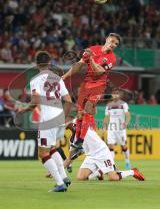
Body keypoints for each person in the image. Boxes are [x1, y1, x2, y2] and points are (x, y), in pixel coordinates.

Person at [18, 51, 72, 192]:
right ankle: (64, 177)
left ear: (37, 64)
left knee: (43, 154)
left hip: (48, 120)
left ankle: (60, 183)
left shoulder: (36, 79)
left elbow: (35, 100)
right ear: (49, 63)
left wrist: (24, 110)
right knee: (52, 148)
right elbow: (68, 101)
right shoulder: (59, 79)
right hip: (59, 118)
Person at [62, 33, 121, 157]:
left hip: (99, 85)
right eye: (112, 41)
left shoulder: (112, 58)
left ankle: (80, 141)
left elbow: (98, 71)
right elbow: (79, 65)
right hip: (86, 84)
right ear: (107, 39)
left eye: (116, 44)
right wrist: (65, 76)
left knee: (89, 108)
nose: (113, 44)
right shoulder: (93, 49)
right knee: (80, 113)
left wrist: (91, 59)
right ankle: (78, 142)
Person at [64, 119, 145, 182]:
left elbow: (82, 115)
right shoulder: (72, 140)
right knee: (80, 177)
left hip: (102, 152)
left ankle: (133, 172)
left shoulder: (80, 122)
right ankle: (99, 173)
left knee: (113, 178)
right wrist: (57, 171)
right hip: (91, 156)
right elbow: (70, 158)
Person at [102, 89, 131, 169]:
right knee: (110, 146)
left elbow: (128, 114)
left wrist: (126, 122)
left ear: (119, 95)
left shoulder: (123, 104)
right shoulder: (108, 105)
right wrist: (104, 126)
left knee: (123, 146)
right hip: (111, 129)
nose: (115, 96)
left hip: (120, 129)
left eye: (117, 94)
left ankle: (127, 161)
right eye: (114, 94)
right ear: (111, 95)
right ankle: (112, 165)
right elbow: (107, 117)